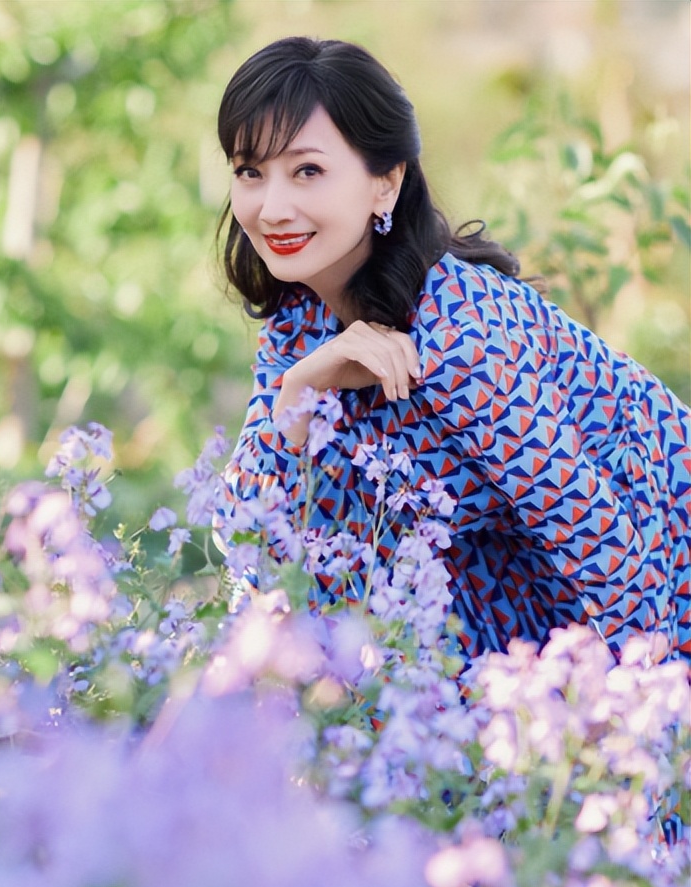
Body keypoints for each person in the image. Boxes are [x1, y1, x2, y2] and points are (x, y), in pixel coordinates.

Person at [215, 36, 691, 664]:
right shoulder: (301, 323)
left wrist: (640, 724)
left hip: (654, 572)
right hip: (507, 625)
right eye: (251, 171)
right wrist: (299, 393)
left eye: (307, 170)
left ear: (386, 182)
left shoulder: (460, 336)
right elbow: (248, 543)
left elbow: (606, 547)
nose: (272, 207)